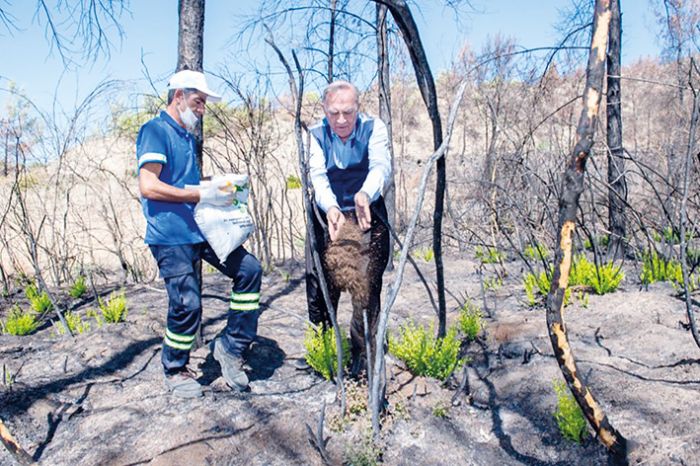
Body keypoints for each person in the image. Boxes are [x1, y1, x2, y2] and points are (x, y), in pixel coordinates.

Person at [137, 69, 262, 398]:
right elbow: (149, 185)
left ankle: (230, 346)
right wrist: (197, 193)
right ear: (178, 97)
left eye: (204, 102)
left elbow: (186, 185)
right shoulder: (154, 130)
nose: (203, 108)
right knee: (187, 304)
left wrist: (217, 191)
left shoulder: (186, 136)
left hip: (200, 230)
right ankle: (175, 368)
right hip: (169, 235)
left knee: (249, 270)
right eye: (198, 101)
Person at [304, 80, 392, 377]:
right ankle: (325, 352)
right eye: (334, 113)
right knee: (320, 284)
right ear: (325, 111)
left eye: (348, 112)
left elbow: (380, 166)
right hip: (327, 214)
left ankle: (363, 357)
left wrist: (365, 193)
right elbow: (317, 176)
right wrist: (329, 207)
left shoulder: (374, 128)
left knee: (365, 284)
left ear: (358, 108)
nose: (341, 120)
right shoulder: (315, 134)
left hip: (365, 213)